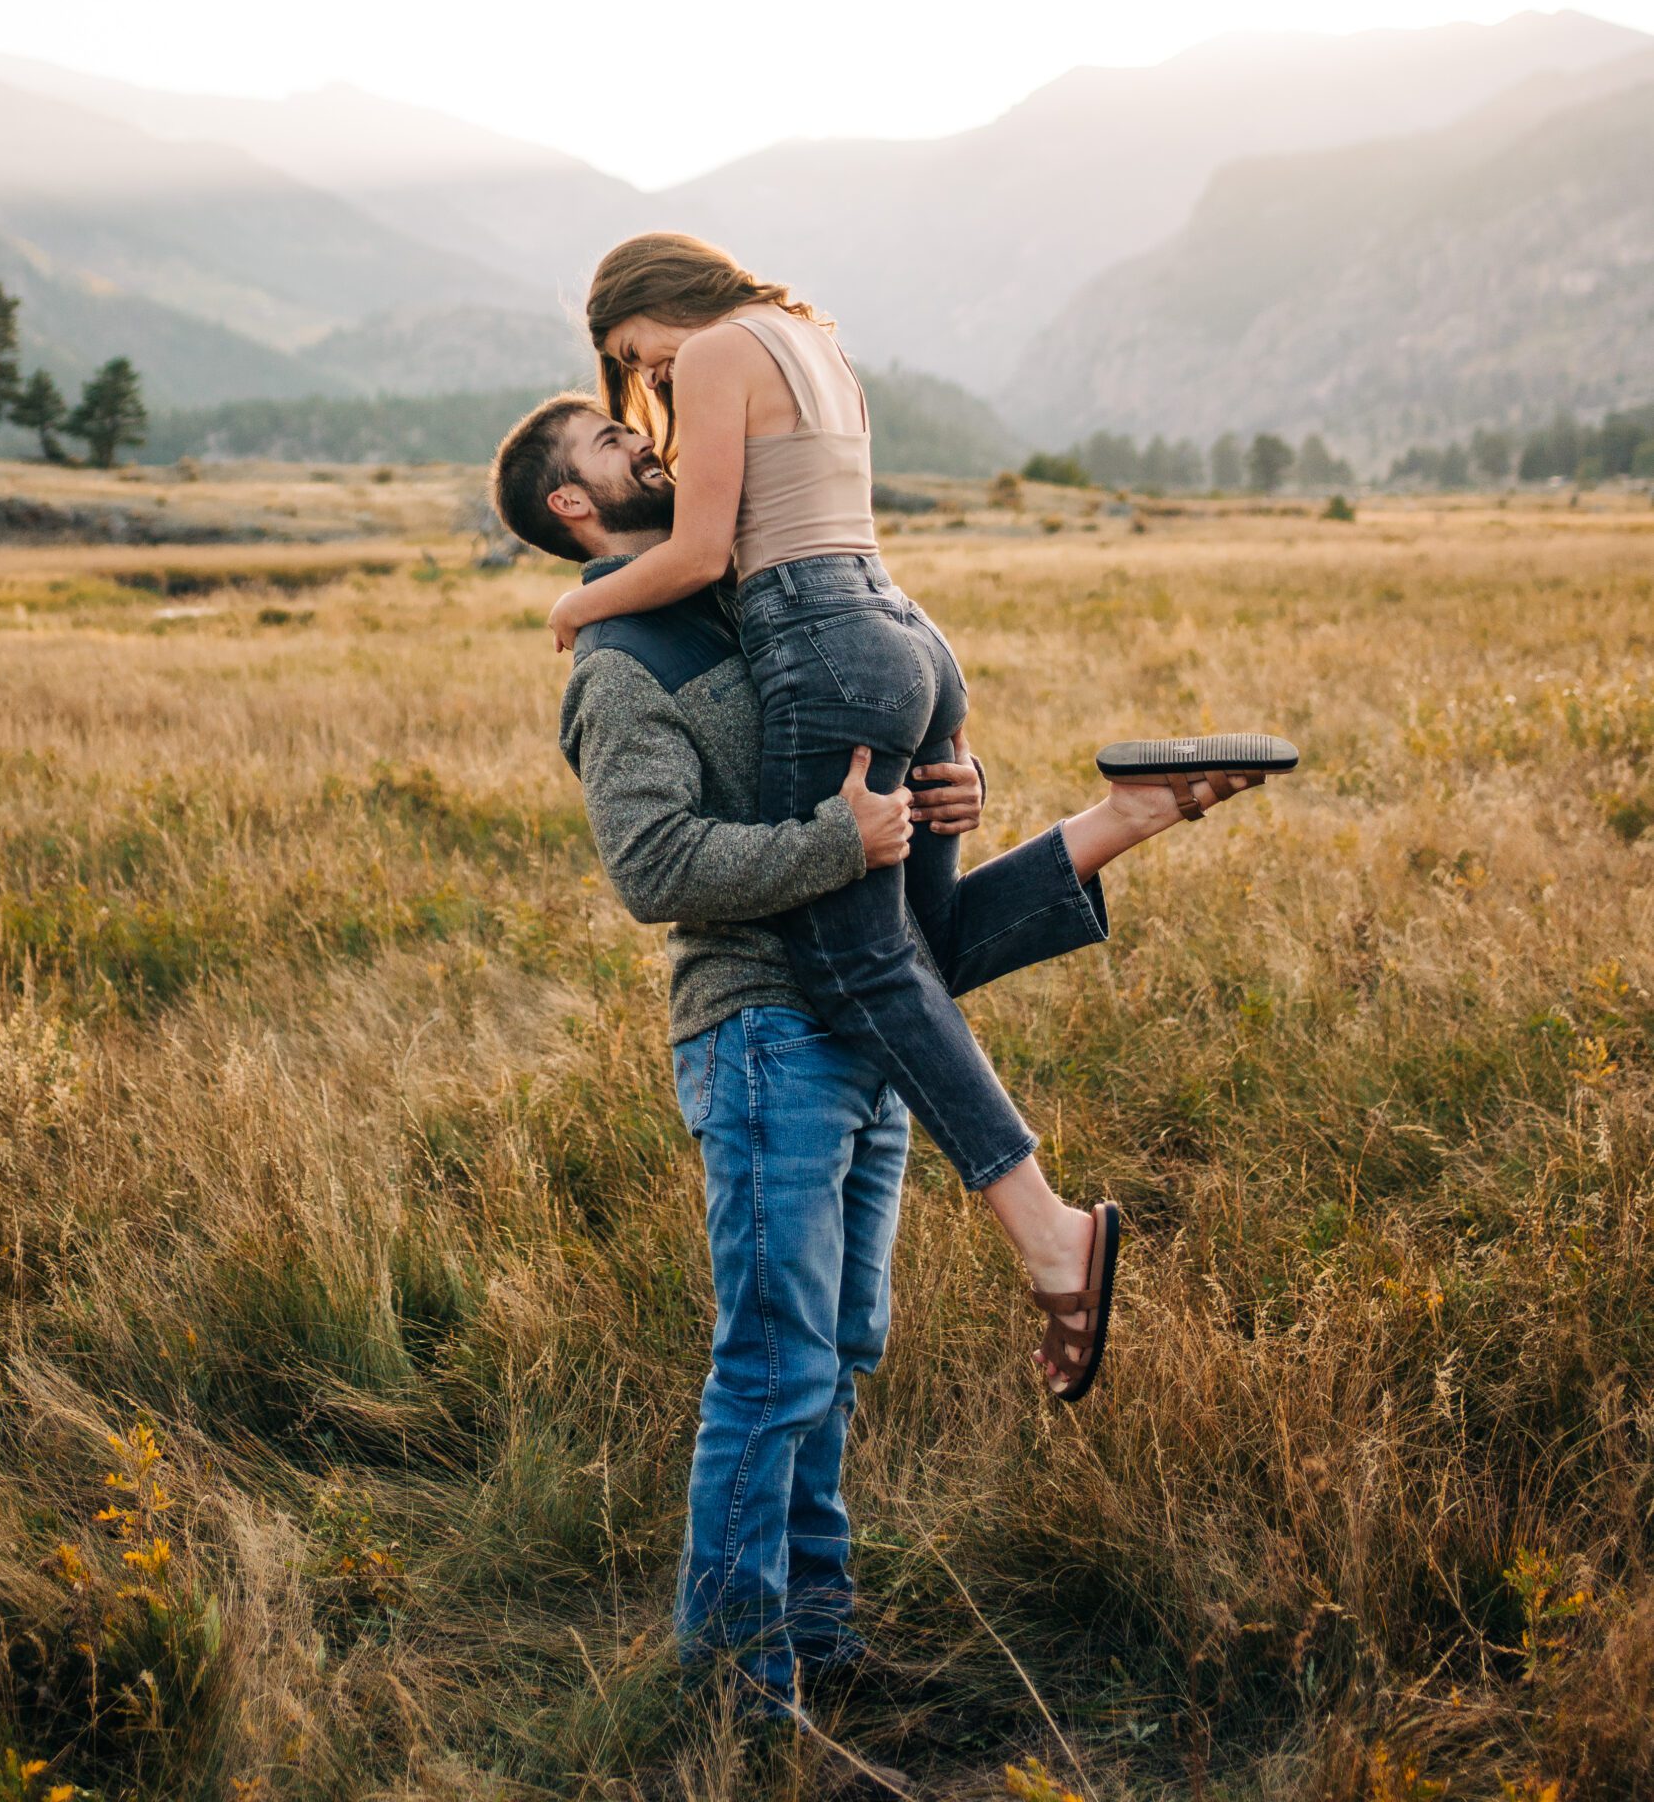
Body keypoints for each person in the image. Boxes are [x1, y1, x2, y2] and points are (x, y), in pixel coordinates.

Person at [492, 392, 1260, 1720]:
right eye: (617, 447)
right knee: (773, 1363)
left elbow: (870, 822)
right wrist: (840, 845)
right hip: (759, 1038)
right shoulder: (618, 666)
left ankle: (824, 1646)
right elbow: (652, 867)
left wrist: (936, 799)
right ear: (573, 507)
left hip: (865, 1034)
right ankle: (739, 1690)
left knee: (841, 1351)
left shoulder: (746, 601)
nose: (652, 449)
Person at [543, 234, 1273, 1402]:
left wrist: (573, 609)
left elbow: (695, 549)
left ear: (655, 304)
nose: (657, 383)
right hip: (905, 630)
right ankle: (1123, 814)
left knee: (857, 964)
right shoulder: (813, 342)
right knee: (912, 952)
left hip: (824, 638)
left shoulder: (726, 345)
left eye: (642, 358)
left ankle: (1045, 1230)